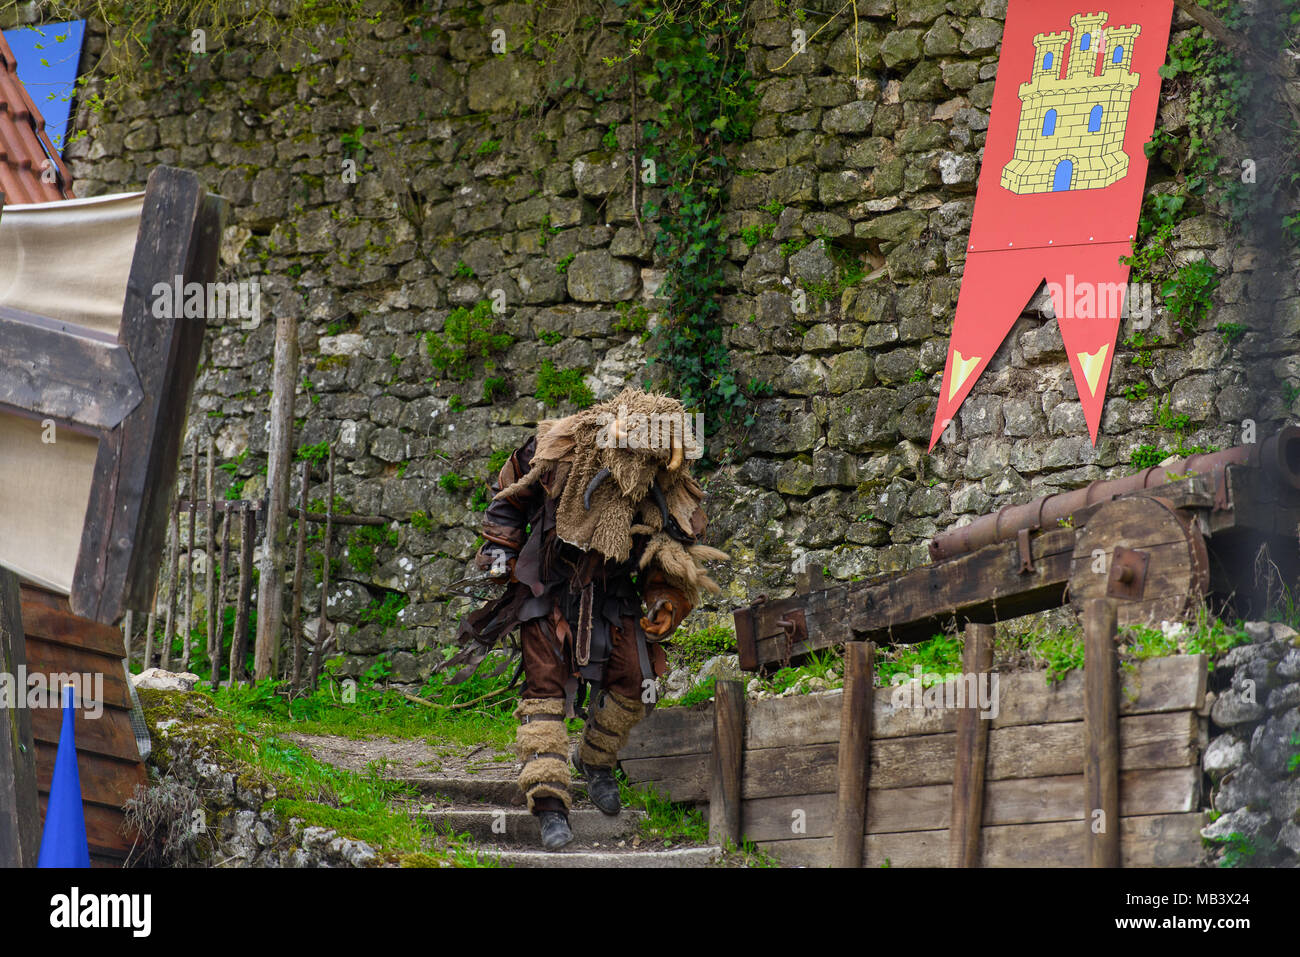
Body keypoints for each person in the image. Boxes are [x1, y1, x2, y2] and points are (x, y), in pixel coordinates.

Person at [440, 388, 726, 849]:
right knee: (545, 688)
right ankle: (549, 801)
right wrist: (500, 552)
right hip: (547, 589)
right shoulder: (559, 448)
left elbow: (670, 551)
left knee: (638, 677)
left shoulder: (666, 483)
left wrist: (665, 599)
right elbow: (510, 496)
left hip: (612, 594)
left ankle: (594, 759)